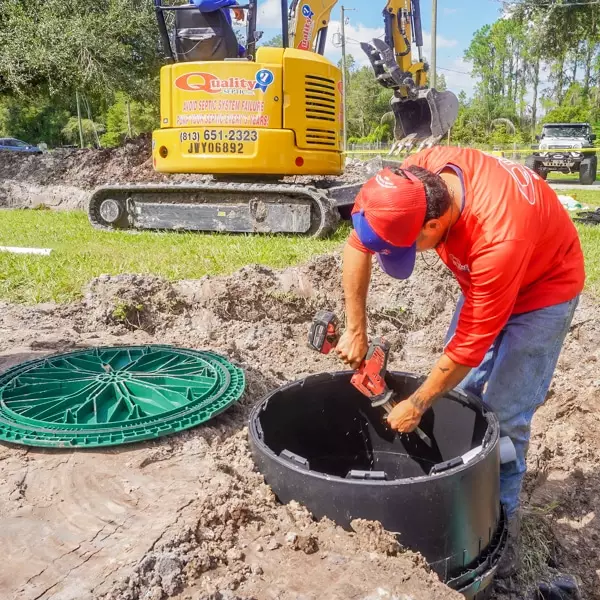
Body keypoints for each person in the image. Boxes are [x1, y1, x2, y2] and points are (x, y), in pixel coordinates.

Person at [334, 146, 585, 578]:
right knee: (465, 399)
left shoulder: (496, 239)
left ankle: (499, 525)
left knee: (506, 415)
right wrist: (356, 327)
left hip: (544, 288)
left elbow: (467, 347)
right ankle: (461, 490)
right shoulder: (414, 178)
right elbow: (359, 242)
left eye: (411, 246)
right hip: (489, 276)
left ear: (435, 223)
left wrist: (416, 403)